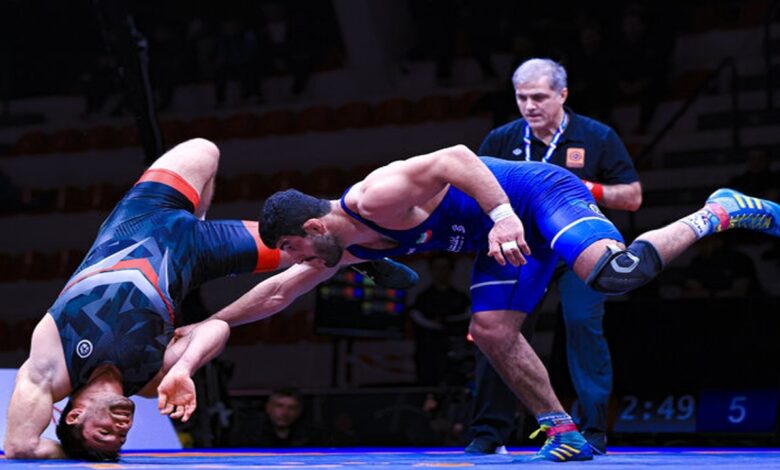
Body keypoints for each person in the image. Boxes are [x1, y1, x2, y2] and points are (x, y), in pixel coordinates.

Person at [181, 142, 780, 462]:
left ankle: (718, 211)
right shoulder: (344, 248)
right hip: (503, 236)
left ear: (312, 226)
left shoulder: (375, 196)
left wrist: (501, 215)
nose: (293, 259)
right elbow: (278, 291)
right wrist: (211, 322)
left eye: (291, 247)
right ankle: (563, 430)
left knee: (614, 276)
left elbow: (458, 158)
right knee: (492, 329)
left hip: (533, 197)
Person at [3, 138, 416, 461]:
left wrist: (72, 455)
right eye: (121, 438)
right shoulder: (151, 382)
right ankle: (359, 258)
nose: (121, 429)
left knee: (204, 150)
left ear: (74, 415)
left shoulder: (53, 366)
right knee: (320, 245)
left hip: (140, 217)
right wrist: (184, 367)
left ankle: (203, 217)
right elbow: (217, 327)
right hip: (198, 255)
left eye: (104, 433)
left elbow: (20, 446)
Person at [466, 58, 641, 456]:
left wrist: (582, 187)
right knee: (499, 332)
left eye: (539, 97)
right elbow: (474, 189)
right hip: (522, 249)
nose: (529, 106)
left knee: (582, 324)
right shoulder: (501, 138)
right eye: (522, 97)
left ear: (562, 94)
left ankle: (593, 430)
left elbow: (632, 197)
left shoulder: (595, 136)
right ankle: (489, 432)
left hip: (577, 248)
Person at [409, 254, 470, 386]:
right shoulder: (423, 298)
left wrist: (446, 322)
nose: (440, 272)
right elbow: (416, 318)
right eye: (436, 268)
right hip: (428, 351)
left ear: (451, 270)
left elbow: (467, 318)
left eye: (444, 268)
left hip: (455, 351)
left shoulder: (460, 298)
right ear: (431, 270)